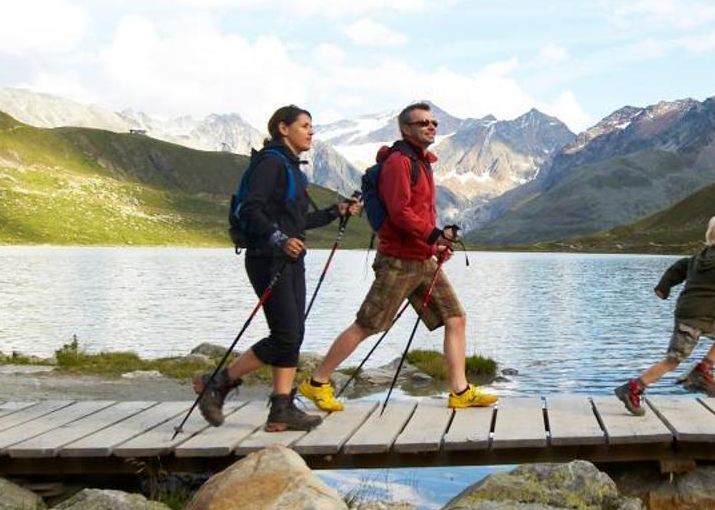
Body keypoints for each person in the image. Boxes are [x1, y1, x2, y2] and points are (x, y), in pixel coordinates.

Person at [300, 101, 497, 411]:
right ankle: (317, 383)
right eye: (423, 123)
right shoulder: (399, 162)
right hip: (398, 261)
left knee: (455, 318)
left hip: (421, 258)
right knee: (368, 324)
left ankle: (460, 391)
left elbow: (413, 215)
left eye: (434, 123)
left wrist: (433, 247)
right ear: (406, 129)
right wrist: (435, 235)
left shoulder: (422, 162)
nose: (431, 127)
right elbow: (399, 212)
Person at [191, 105, 360, 431]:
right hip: (267, 258)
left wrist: (335, 211)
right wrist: (279, 238)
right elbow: (249, 210)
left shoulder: (292, 167)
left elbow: (298, 221)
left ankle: (280, 408)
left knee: (293, 335)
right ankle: (218, 382)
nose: (312, 132)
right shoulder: (271, 163)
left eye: (312, 126)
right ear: (284, 128)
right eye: (305, 126)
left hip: (288, 258)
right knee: (285, 335)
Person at [614, 214, 715, 415]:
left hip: (706, 316)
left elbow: (679, 267)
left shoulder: (702, 257)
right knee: (673, 360)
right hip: (693, 318)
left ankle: (702, 370)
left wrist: (664, 287)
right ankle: (632, 388)